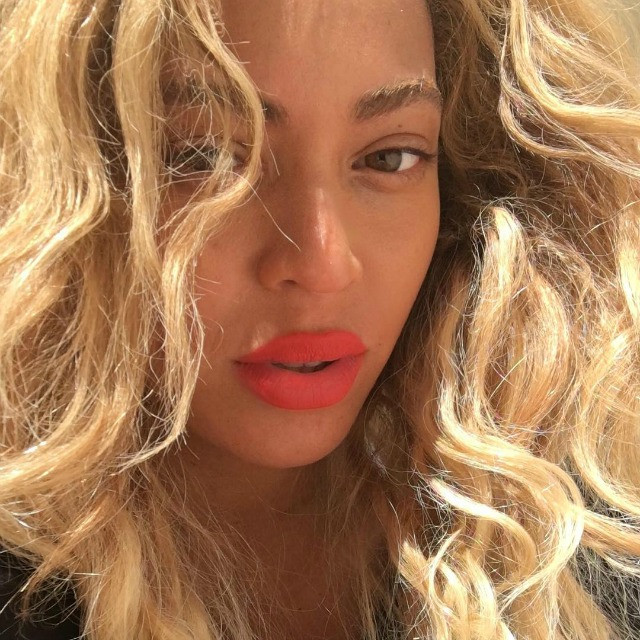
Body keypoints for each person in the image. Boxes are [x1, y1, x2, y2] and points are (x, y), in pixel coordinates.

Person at [0, 0, 639, 638]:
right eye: (205, 158)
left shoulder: (577, 549)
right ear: (55, 184)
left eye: (389, 158)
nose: (322, 265)